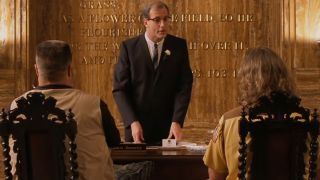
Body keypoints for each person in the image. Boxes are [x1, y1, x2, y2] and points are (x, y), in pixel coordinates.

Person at [203, 47, 320, 179]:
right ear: (284, 77)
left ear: (246, 80)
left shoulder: (229, 120)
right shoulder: (308, 121)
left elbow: (215, 176)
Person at [10, 40, 121, 180]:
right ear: (69, 69)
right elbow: (114, 142)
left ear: (37, 70)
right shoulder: (95, 105)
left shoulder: (16, 107)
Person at [113, 1, 193, 145]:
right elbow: (120, 90)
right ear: (145, 22)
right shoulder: (129, 48)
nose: (163, 25)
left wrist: (177, 121)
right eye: (157, 20)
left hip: (168, 129)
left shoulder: (178, 46)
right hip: (137, 129)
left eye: (166, 19)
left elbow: (184, 87)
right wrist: (132, 121)